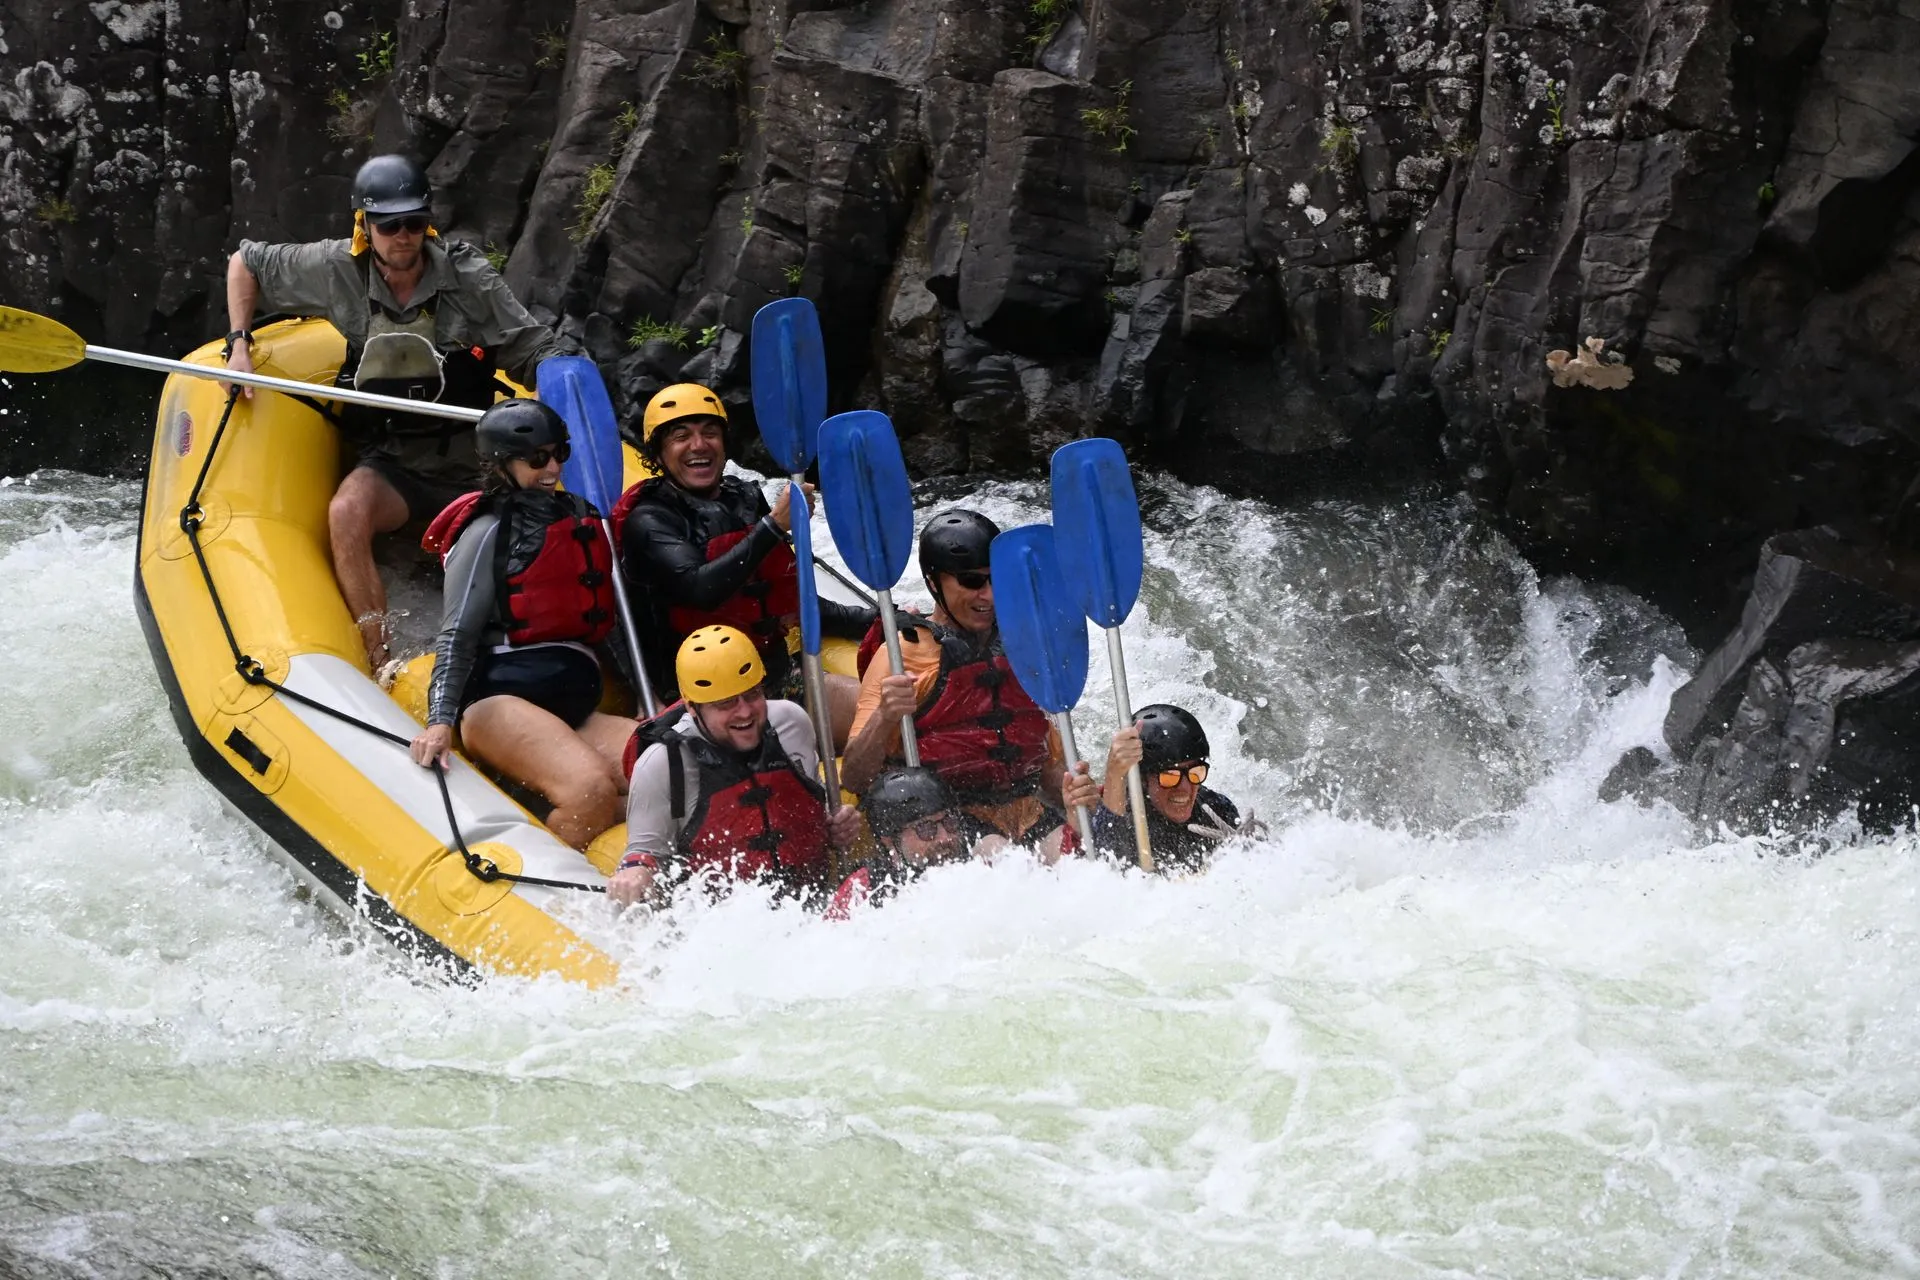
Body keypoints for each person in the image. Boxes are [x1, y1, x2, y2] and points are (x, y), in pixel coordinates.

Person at [223, 153, 568, 670]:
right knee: (345, 510)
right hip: (396, 462)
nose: (403, 235)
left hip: (477, 464)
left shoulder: (468, 277)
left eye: (413, 221)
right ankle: (378, 654)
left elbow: (535, 348)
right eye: (389, 224)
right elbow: (244, 262)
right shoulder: (335, 268)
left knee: (529, 537)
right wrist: (239, 344)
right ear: (365, 226)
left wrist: (566, 385)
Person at [407, 400, 635, 849]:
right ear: (501, 463)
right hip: (497, 704)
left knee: (665, 767)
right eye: (536, 459)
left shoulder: (579, 516)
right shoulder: (487, 530)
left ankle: (604, 848)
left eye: (559, 453)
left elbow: (606, 618)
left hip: (573, 709)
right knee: (591, 788)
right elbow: (457, 632)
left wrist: (651, 696)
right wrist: (439, 720)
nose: (551, 468)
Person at [611, 383, 874, 733]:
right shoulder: (650, 520)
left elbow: (793, 600)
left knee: (883, 713)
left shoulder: (745, 499)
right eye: (681, 436)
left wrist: (883, 618)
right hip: (701, 701)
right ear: (657, 454)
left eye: (710, 433)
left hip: (773, 677)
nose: (699, 445)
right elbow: (701, 589)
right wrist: (773, 526)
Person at [840, 508, 1078, 848]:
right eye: (972, 581)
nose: (990, 595)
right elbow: (854, 776)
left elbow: (1044, 756)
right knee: (997, 854)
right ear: (934, 583)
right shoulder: (902, 654)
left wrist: (1080, 798)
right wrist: (885, 716)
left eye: (996, 578)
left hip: (1028, 810)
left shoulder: (1023, 646)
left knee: (1076, 854)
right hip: (945, 822)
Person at [606, 625, 860, 908]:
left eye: (752, 694)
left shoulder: (792, 723)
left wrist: (833, 824)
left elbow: (812, 804)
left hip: (813, 899)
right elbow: (641, 855)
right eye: (726, 703)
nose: (745, 712)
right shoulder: (662, 764)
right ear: (693, 707)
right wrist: (634, 872)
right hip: (721, 927)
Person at [1091, 704, 1255, 874]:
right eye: (1170, 776)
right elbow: (1107, 864)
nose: (1184, 788)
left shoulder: (1218, 809)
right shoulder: (1126, 821)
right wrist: (1114, 774)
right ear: (1143, 780)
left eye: (1195, 772)